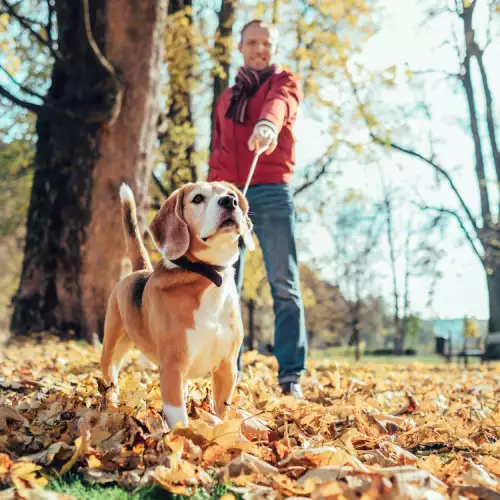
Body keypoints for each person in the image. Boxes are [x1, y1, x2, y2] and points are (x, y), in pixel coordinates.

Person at [208, 19, 307, 399]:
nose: (260, 49)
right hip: (228, 196)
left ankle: (290, 376)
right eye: (253, 42)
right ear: (241, 47)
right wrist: (211, 193)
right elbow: (219, 151)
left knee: (284, 285)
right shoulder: (226, 99)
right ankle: (226, 372)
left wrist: (267, 125)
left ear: (273, 48)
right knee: (223, 286)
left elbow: (279, 106)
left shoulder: (283, 82)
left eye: (267, 43)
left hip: (270, 192)